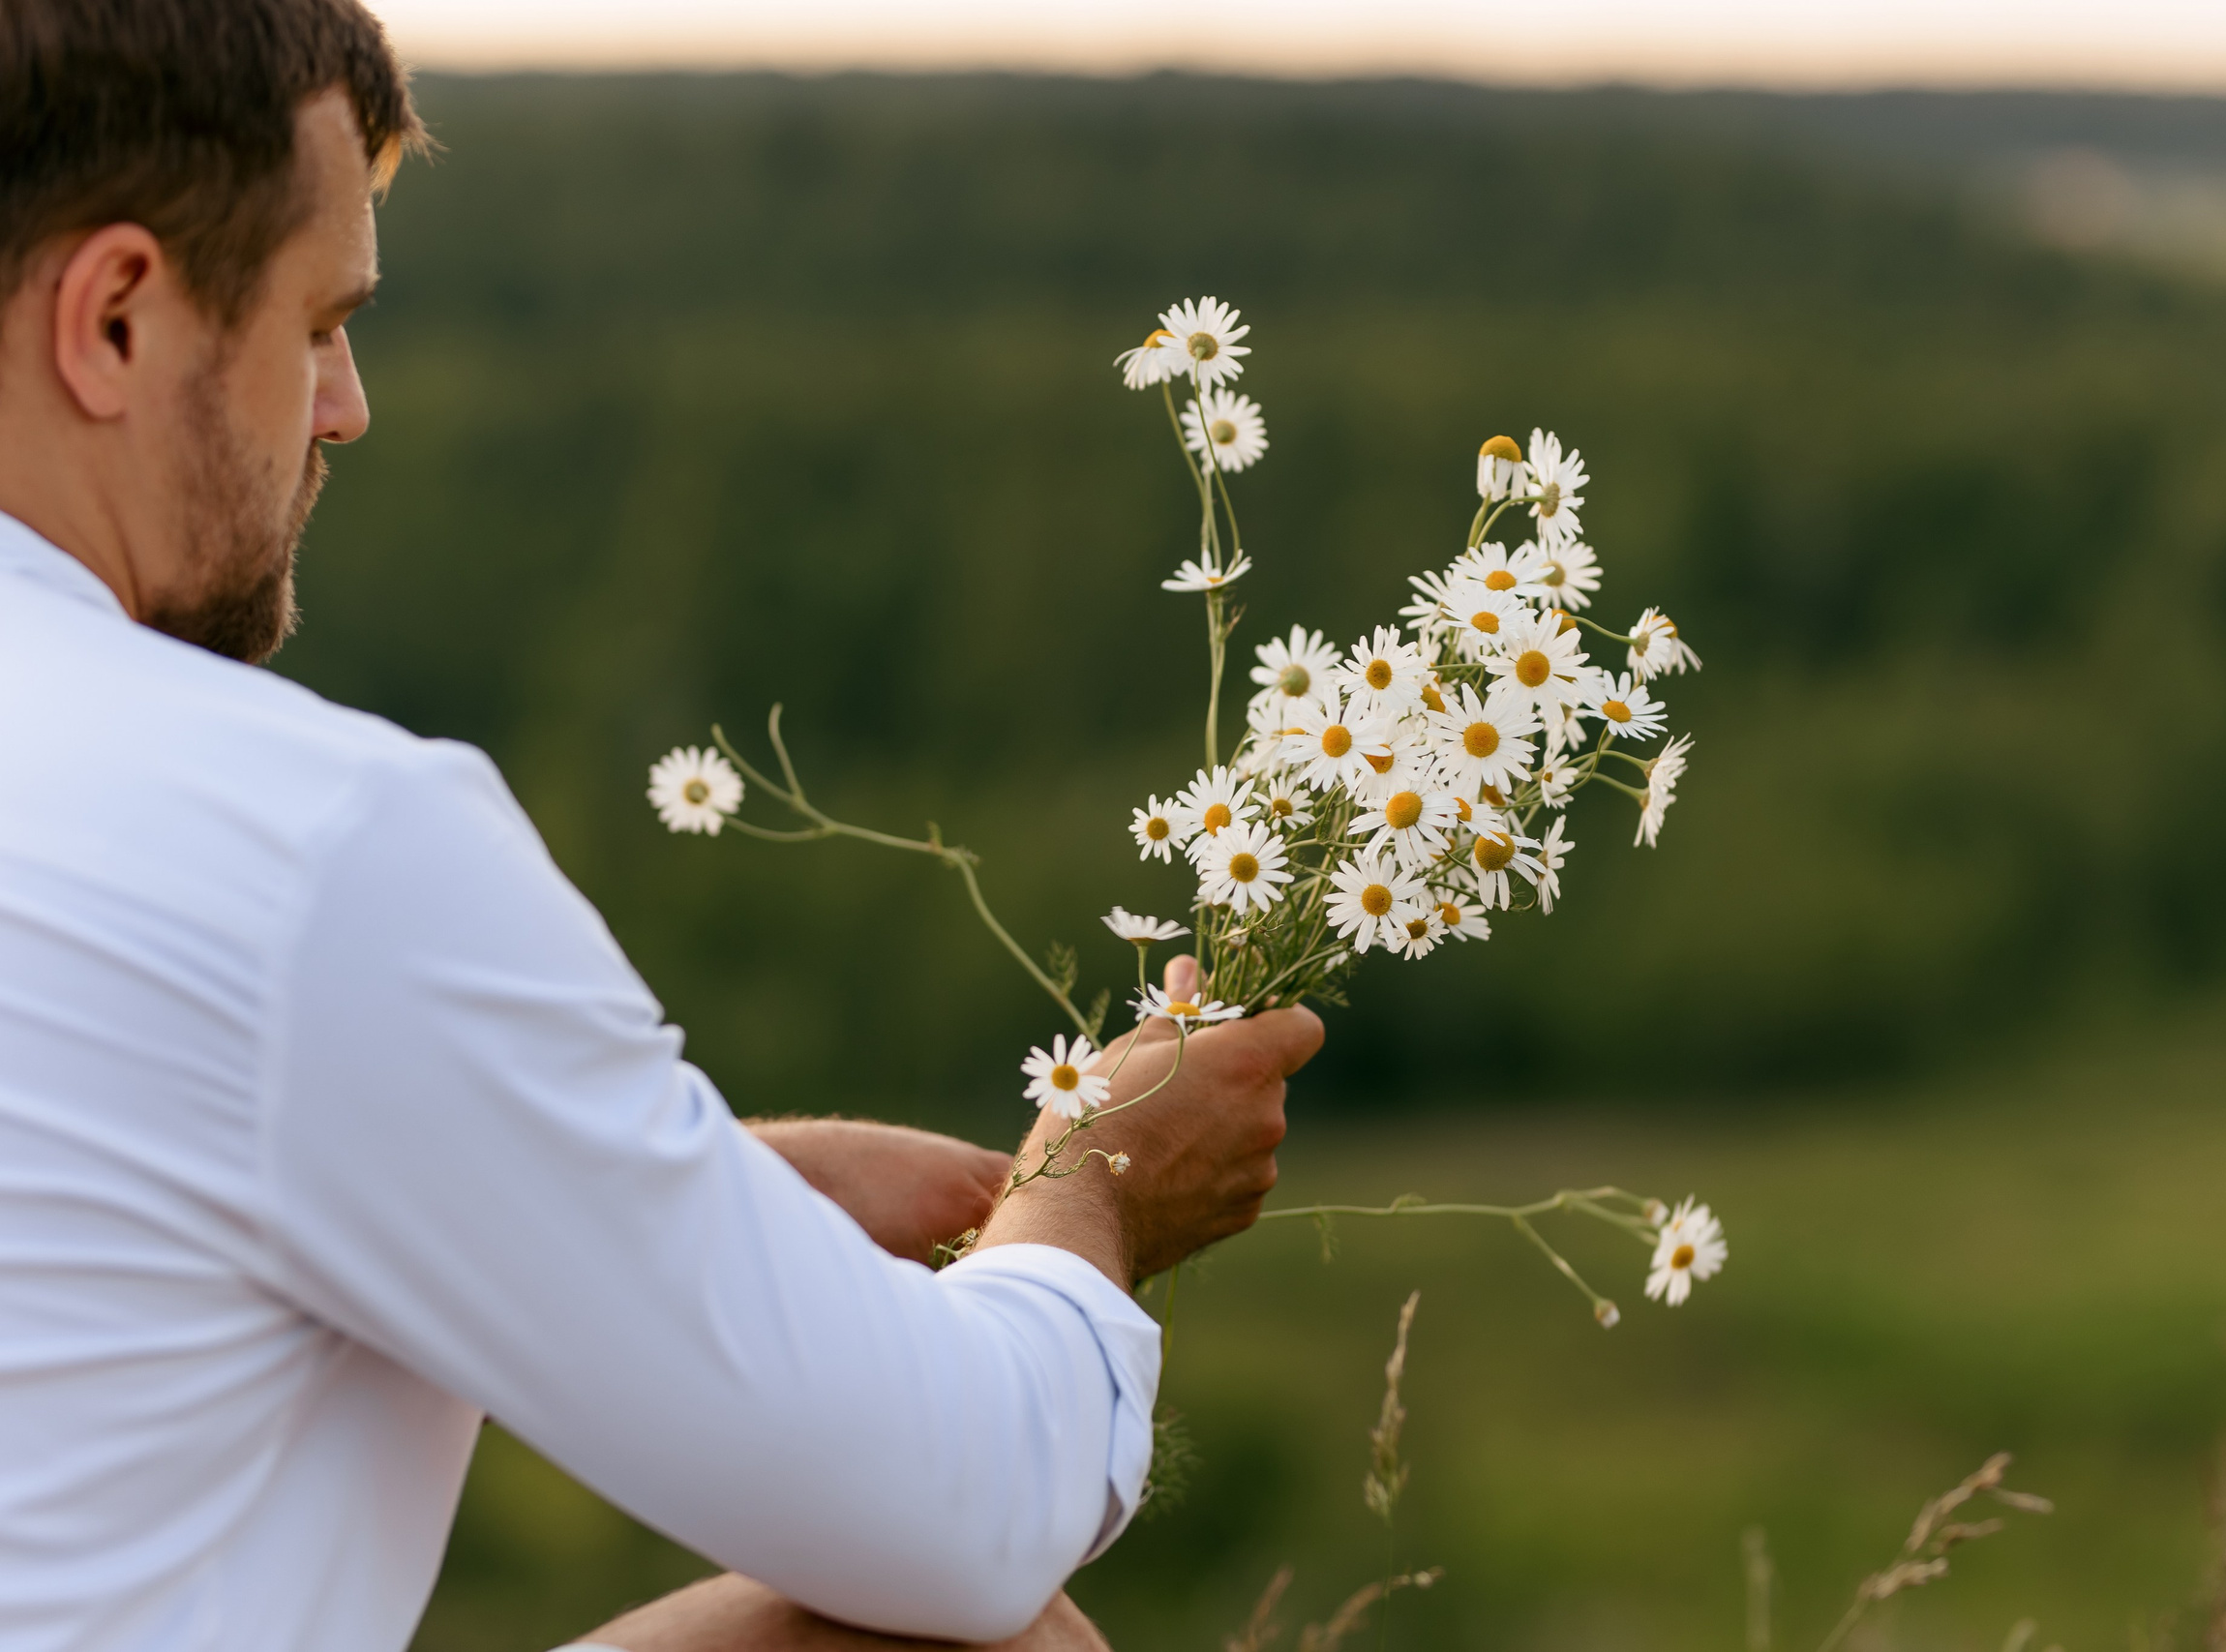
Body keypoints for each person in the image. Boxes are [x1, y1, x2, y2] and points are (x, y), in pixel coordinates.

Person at [0, 3, 1324, 1649]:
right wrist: (1098, 1185)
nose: (343, 409)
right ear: (115, 320)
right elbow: (962, 1511)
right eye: (318, 323)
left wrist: (689, 1190)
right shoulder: (303, 849)